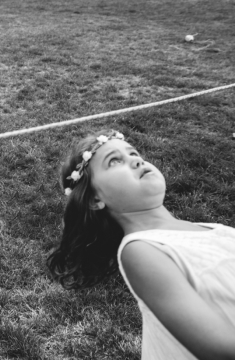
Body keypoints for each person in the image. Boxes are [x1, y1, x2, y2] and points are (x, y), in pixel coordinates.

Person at [47, 129, 235, 360]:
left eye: (134, 153)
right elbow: (219, 347)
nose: (136, 160)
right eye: (115, 161)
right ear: (95, 199)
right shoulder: (141, 250)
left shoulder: (216, 230)